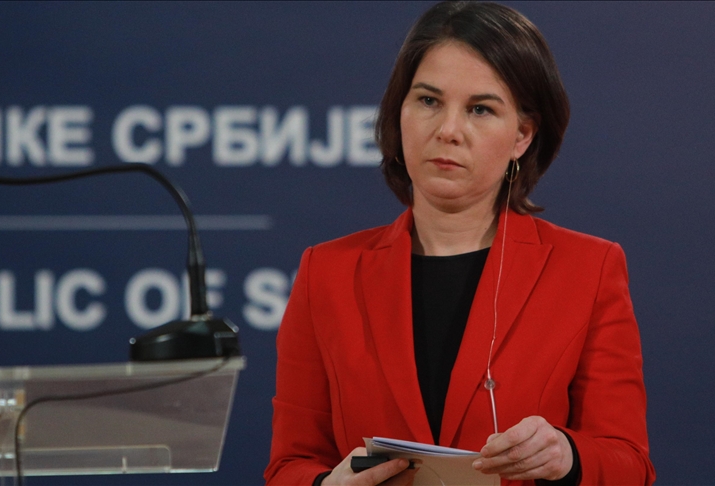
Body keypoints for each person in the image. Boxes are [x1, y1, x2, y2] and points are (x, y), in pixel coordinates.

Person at [264, 2, 655, 485]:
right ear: (400, 113)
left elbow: (629, 464)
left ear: (522, 135)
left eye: (480, 109)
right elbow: (289, 464)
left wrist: (566, 455)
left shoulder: (588, 269)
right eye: (428, 101)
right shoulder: (327, 271)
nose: (448, 131)